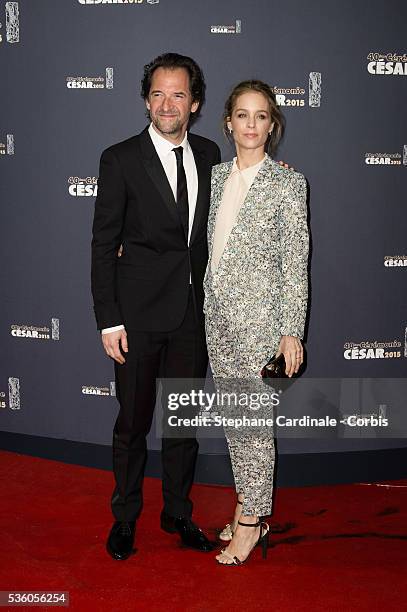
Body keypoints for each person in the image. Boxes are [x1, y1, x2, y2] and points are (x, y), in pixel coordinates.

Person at [91, 53, 220, 560]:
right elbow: (103, 245)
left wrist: (277, 178)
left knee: (182, 424)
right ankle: (125, 518)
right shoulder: (119, 158)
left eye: (179, 94)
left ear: (196, 102)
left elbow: (246, 193)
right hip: (138, 316)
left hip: (192, 314)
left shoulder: (211, 154)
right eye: (159, 94)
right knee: (133, 424)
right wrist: (109, 320)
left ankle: (177, 512)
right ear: (147, 100)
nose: (168, 104)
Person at [203, 80, 309, 565]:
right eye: (242, 115)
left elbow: (295, 262)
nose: (251, 125)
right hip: (216, 319)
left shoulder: (288, 183)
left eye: (260, 116)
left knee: (253, 426)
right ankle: (249, 503)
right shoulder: (216, 176)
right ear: (228, 121)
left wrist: (292, 329)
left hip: (261, 325)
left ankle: (251, 520)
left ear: (273, 124)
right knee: (234, 421)